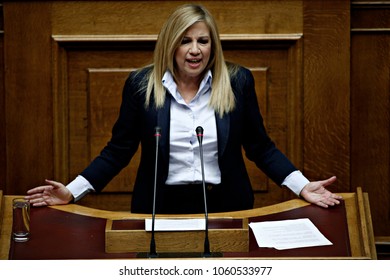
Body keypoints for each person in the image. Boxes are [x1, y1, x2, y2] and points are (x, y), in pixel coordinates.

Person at [25, 4, 342, 214]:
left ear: (212, 46)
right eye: (185, 40)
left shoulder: (236, 82)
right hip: (160, 207)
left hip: (227, 206)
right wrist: (71, 191)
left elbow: (261, 147)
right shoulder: (141, 85)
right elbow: (117, 152)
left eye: (203, 41)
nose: (195, 50)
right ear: (170, 45)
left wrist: (303, 186)